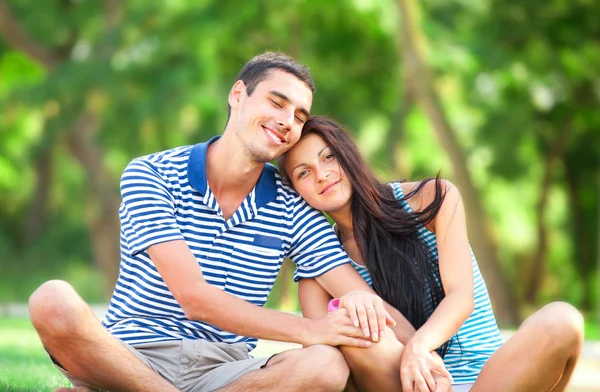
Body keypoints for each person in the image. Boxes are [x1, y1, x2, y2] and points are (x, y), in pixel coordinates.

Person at [28, 52, 452, 392]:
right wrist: (312, 329)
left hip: (227, 373)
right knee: (52, 300)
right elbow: (194, 297)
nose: (288, 121)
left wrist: (417, 347)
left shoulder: (294, 203)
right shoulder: (151, 174)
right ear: (237, 95)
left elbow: (358, 295)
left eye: (300, 115)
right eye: (276, 101)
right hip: (132, 353)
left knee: (326, 366)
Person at [277, 115, 585, 392]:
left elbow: (461, 297)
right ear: (296, 192)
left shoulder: (430, 199)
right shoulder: (319, 272)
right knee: (353, 326)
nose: (322, 174)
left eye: (328, 157)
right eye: (304, 173)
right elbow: (328, 366)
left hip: (491, 380)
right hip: (413, 386)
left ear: (349, 155)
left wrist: (418, 347)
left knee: (562, 319)